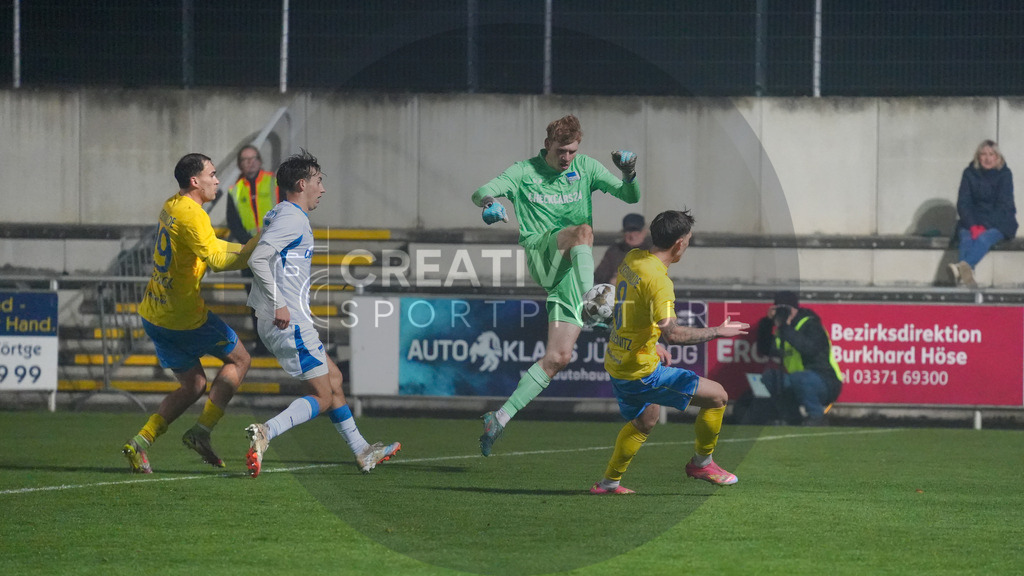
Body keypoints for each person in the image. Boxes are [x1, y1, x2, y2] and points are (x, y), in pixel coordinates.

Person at [471, 114, 641, 456]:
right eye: (562, 150)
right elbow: (481, 191)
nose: (567, 158)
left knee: (559, 357)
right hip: (543, 255)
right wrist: (490, 204)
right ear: (548, 143)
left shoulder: (586, 168)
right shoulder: (524, 171)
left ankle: (499, 417)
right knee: (583, 231)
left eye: (572, 151)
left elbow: (630, 196)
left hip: (569, 276)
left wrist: (630, 172)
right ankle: (594, 301)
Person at [243, 150, 400, 478]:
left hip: (287, 319)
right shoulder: (292, 218)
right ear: (302, 184)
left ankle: (361, 451)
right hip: (288, 321)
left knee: (335, 380)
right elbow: (257, 259)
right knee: (324, 395)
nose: (322, 188)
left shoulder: (282, 213)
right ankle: (267, 431)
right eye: (318, 181)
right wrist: (280, 303)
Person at [590, 209, 749, 494]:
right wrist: (717, 331)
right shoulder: (660, 282)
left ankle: (608, 483)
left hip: (617, 360)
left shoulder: (632, 259)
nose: (687, 244)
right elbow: (674, 333)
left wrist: (652, 342)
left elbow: (631, 309)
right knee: (717, 396)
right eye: (687, 239)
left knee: (645, 420)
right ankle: (702, 463)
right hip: (640, 371)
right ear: (679, 244)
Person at [121, 153, 259, 474]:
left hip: (155, 314)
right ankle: (202, 431)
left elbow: (212, 245)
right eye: (212, 174)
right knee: (240, 360)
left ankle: (141, 442)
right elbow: (218, 260)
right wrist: (258, 249)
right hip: (185, 318)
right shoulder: (194, 216)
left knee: (194, 385)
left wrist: (247, 247)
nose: (217, 180)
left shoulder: (172, 205)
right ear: (195, 181)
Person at [755, 291, 843, 426]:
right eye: (779, 309)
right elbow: (764, 349)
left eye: (786, 309)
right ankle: (791, 417)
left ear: (795, 309)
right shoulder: (781, 330)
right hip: (798, 381)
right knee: (770, 377)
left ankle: (817, 416)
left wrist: (785, 327)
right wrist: (768, 322)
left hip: (826, 381)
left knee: (800, 378)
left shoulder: (811, 324)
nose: (784, 313)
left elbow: (809, 349)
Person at [226, 145, 280, 353]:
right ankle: (262, 343)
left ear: (260, 160)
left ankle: (278, 342)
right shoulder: (235, 189)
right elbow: (234, 222)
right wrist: (251, 244)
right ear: (240, 164)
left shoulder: (275, 182)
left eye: (253, 158)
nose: (250, 162)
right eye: (245, 159)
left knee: (276, 298)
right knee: (256, 300)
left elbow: (286, 209)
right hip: (249, 253)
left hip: (274, 250)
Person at [949, 139, 1018, 288]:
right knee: (966, 238)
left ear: (997, 157)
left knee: (984, 239)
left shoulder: (1005, 174)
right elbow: (964, 203)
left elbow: (1004, 205)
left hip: (1000, 221)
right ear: (978, 157)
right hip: (972, 220)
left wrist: (984, 226)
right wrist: (973, 226)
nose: (987, 158)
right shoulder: (969, 174)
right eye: (983, 154)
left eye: (991, 154)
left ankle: (961, 272)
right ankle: (966, 277)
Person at [594, 212, 652, 285]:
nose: (632, 236)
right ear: (623, 233)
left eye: (637, 231)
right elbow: (598, 277)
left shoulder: (653, 251)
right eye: (628, 231)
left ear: (644, 232)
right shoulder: (615, 251)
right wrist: (611, 280)